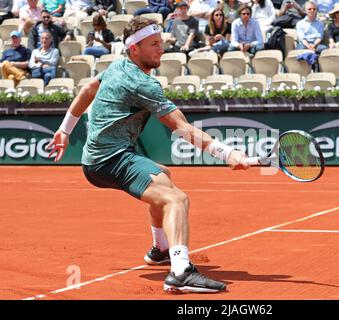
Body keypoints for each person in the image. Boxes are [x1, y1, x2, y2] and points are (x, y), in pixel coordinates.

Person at [46, 16, 249, 294]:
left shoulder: (116, 66)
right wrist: (227, 153)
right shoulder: (143, 84)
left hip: (97, 160)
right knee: (177, 199)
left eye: (160, 43)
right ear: (134, 49)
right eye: (153, 44)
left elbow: (87, 89)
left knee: (163, 174)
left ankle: (160, 249)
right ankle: (180, 272)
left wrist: (65, 130)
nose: (161, 49)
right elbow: (181, 127)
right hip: (111, 159)